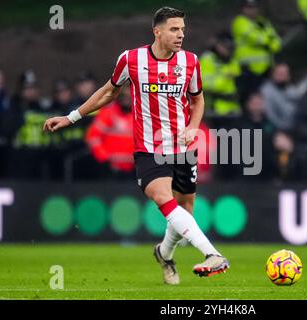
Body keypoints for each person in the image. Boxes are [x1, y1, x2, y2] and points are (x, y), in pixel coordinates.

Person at [43, 7, 229, 285]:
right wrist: (70, 118)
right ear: (157, 31)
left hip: (181, 148)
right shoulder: (131, 59)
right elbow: (108, 92)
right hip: (148, 149)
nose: (181, 35)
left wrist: (192, 127)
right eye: (174, 29)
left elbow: (198, 100)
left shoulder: (190, 62)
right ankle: (212, 254)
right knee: (163, 199)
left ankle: (164, 254)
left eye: (183, 30)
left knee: (184, 212)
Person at [231, 0, 281, 105]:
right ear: (243, 9)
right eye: (248, 7)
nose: (252, 10)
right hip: (247, 68)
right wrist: (269, 41)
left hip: (266, 68)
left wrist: (269, 42)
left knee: (265, 97)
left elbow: (276, 42)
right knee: (249, 98)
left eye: (254, 7)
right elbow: (255, 38)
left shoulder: (263, 22)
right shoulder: (239, 22)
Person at [199, 32, 241, 116]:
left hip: (233, 107)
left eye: (230, 47)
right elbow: (203, 84)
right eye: (225, 46)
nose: (227, 50)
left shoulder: (232, 60)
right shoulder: (207, 59)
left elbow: (237, 80)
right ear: (217, 45)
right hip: (215, 108)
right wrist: (225, 78)